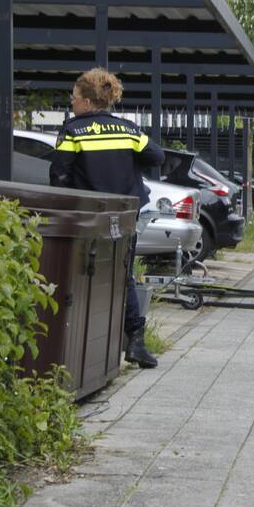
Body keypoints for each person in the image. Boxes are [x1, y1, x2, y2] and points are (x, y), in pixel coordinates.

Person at [50, 67, 165, 369]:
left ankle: (89, 343)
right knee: (122, 273)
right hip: (126, 216)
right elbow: (157, 156)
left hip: (89, 219)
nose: (71, 102)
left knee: (87, 275)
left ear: (87, 101)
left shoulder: (72, 131)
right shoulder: (127, 130)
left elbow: (58, 176)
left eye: (74, 97)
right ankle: (135, 340)